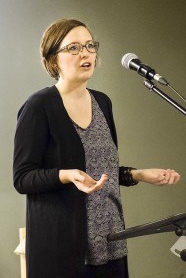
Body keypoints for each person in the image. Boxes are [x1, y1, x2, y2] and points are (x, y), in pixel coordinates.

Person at [13, 18, 180, 278]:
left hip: (111, 242)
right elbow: (22, 178)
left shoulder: (103, 102)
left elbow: (101, 170)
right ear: (53, 59)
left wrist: (139, 174)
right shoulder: (39, 106)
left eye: (90, 46)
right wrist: (67, 175)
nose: (86, 53)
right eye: (74, 48)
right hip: (65, 251)